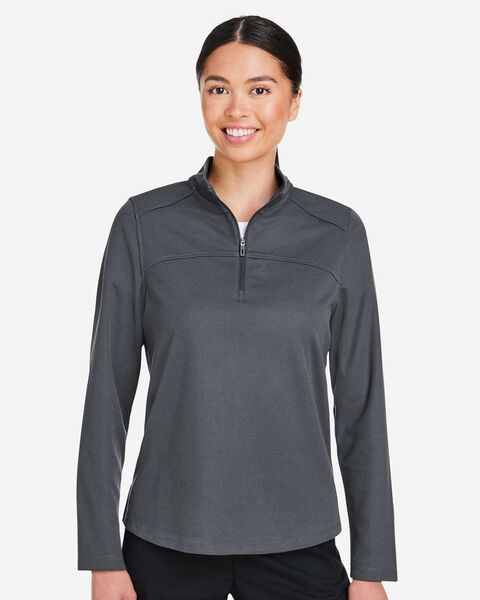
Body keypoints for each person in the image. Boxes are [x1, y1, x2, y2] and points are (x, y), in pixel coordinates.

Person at [76, 14, 398, 600]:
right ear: (200, 95)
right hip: (163, 541)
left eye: (260, 89)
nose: (237, 109)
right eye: (218, 88)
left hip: (300, 541)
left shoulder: (338, 233)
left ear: (294, 101)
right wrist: (101, 556)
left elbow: (362, 406)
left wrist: (371, 567)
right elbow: (106, 398)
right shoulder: (143, 224)